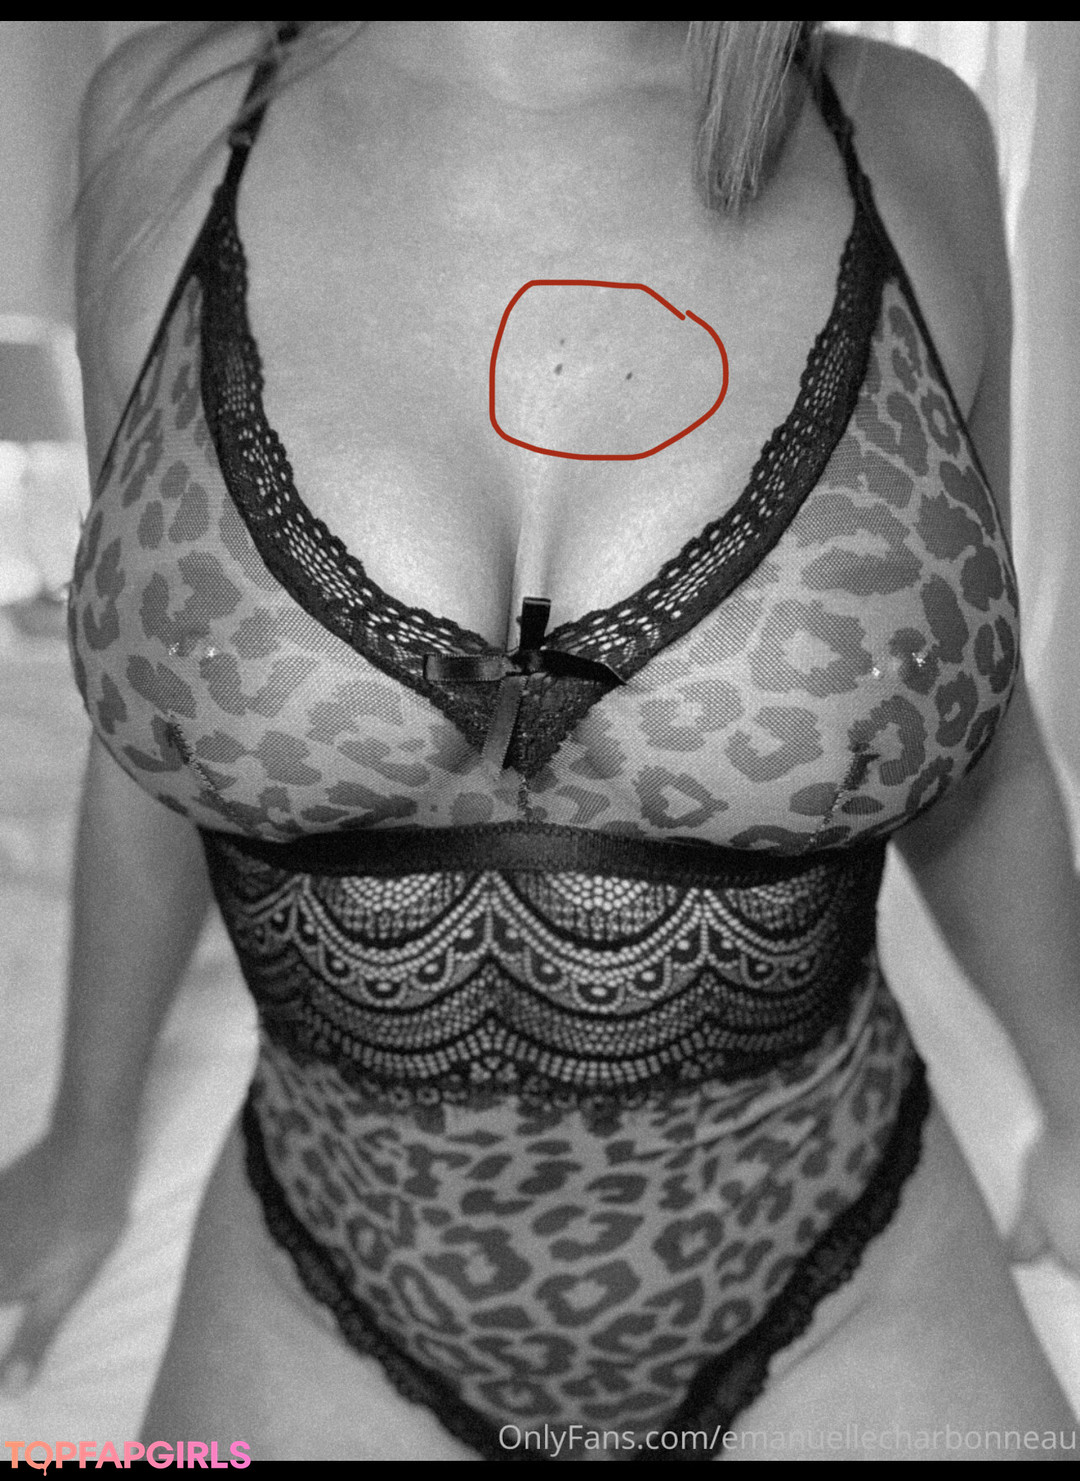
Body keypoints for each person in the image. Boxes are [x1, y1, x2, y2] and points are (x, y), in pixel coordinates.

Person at [2, 20, 1078, 1462]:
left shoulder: (913, 136)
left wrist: (1078, 1101)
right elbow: (154, 716)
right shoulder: (164, 115)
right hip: (322, 1288)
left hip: (846, 1271)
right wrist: (86, 1142)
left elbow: (979, 756)